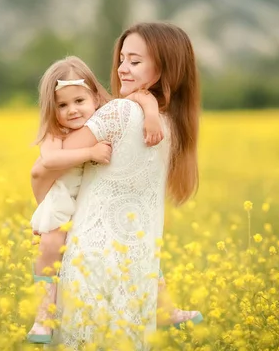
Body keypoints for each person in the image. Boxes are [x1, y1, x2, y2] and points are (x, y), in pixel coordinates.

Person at [31, 22, 202, 349]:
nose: (122, 68)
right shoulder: (172, 124)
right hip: (139, 270)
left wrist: (47, 213)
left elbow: (43, 168)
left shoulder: (120, 113)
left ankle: (43, 314)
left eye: (135, 62)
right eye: (122, 59)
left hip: (91, 262)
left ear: (166, 67)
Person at [26, 56, 165, 344]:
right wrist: (89, 153)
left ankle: (166, 306)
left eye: (79, 100)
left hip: (91, 203)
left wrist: (151, 114)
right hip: (63, 200)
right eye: (62, 105)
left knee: (137, 243)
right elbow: (49, 160)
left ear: (95, 95)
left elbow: (140, 96)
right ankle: (43, 315)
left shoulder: (108, 115)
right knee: (51, 246)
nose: (72, 110)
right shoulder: (56, 131)